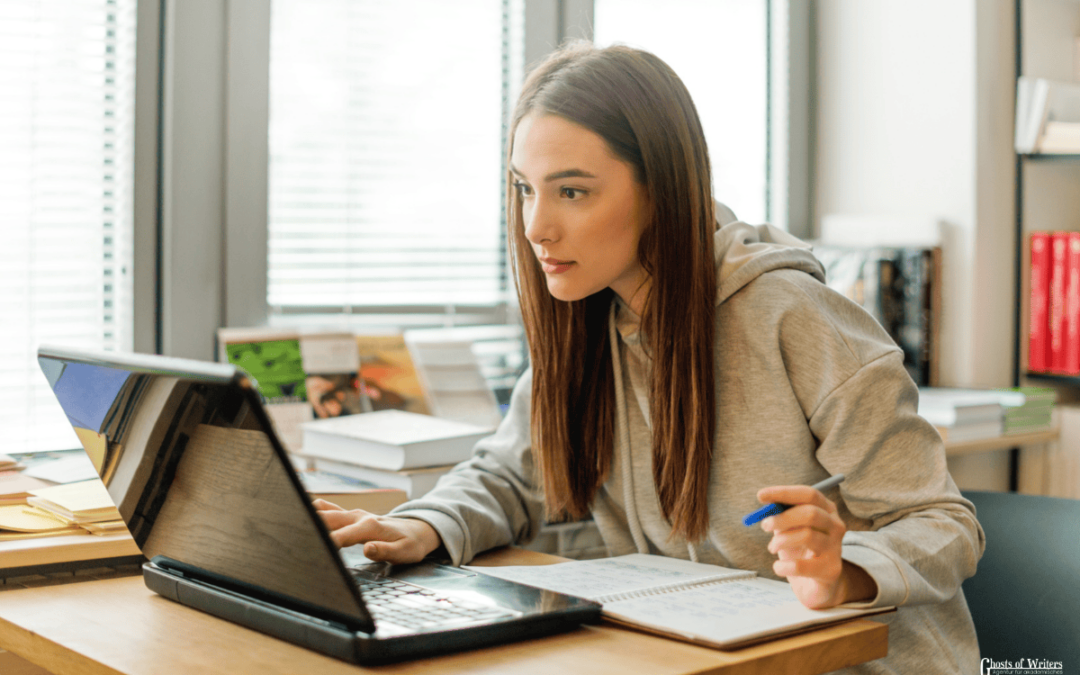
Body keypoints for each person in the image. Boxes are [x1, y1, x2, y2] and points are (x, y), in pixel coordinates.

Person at [315, 42, 984, 673]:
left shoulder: (792, 315)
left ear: (662, 189)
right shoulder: (588, 314)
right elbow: (511, 475)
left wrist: (844, 568)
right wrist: (419, 523)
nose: (535, 226)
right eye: (525, 188)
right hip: (700, 657)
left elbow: (943, 521)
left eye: (571, 191)